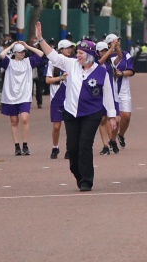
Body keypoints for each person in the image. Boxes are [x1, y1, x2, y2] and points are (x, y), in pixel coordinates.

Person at [33, 21, 117, 192]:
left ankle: (87, 180)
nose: (76, 55)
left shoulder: (101, 71)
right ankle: (78, 173)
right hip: (71, 113)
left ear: (89, 55)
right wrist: (40, 39)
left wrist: (112, 116)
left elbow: (108, 94)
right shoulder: (71, 65)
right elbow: (54, 56)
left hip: (92, 114)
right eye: (77, 52)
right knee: (72, 148)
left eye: (80, 53)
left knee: (85, 146)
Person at [0, 41, 46, 156]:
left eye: (23, 52)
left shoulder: (28, 62)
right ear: (15, 53)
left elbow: (41, 54)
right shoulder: (9, 63)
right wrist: (11, 46)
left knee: (24, 119)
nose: (22, 53)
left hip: (24, 95)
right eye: (20, 52)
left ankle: (25, 145)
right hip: (11, 96)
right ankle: (17, 146)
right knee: (14, 121)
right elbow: (2, 55)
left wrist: (27, 46)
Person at [46, 39, 76, 159]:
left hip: (70, 97)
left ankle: (69, 148)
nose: (69, 50)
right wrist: (61, 77)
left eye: (70, 47)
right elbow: (48, 80)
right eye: (67, 48)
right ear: (61, 49)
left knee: (70, 126)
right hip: (56, 98)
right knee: (56, 126)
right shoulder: (52, 62)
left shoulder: (74, 61)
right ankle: (55, 146)